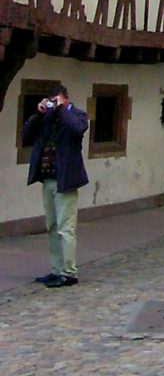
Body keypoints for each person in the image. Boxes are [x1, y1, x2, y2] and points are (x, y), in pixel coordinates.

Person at [21, 85, 89, 288]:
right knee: (51, 226)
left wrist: (62, 109)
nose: (53, 104)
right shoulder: (48, 118)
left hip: (66, 179)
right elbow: (26, 136)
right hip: (48, 179)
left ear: (66, 99)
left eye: (56, 100)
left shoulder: (77, 115)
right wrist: (38, 113)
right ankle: (57, 269)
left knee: (65, 228)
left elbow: (77, 129)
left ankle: (69, 273)